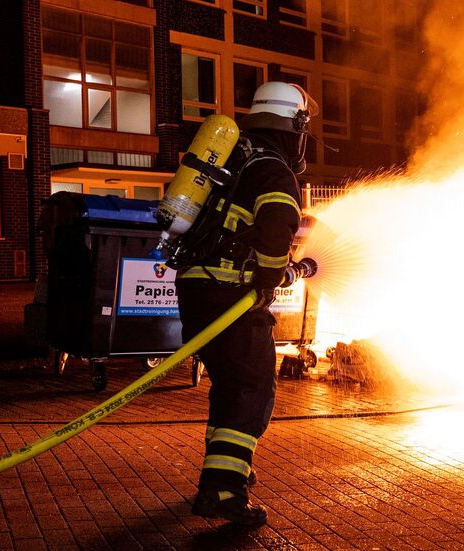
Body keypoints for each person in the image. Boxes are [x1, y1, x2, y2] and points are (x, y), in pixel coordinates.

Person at [175, 81, 315, 526]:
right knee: (254, 389)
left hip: (196, 289)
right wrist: (272, 276)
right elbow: (276, 229)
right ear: (294, 127)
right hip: (230, 294)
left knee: (231, 386)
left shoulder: (236, 158)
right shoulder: (274, 169)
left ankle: (226, 472)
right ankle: (222, 490)